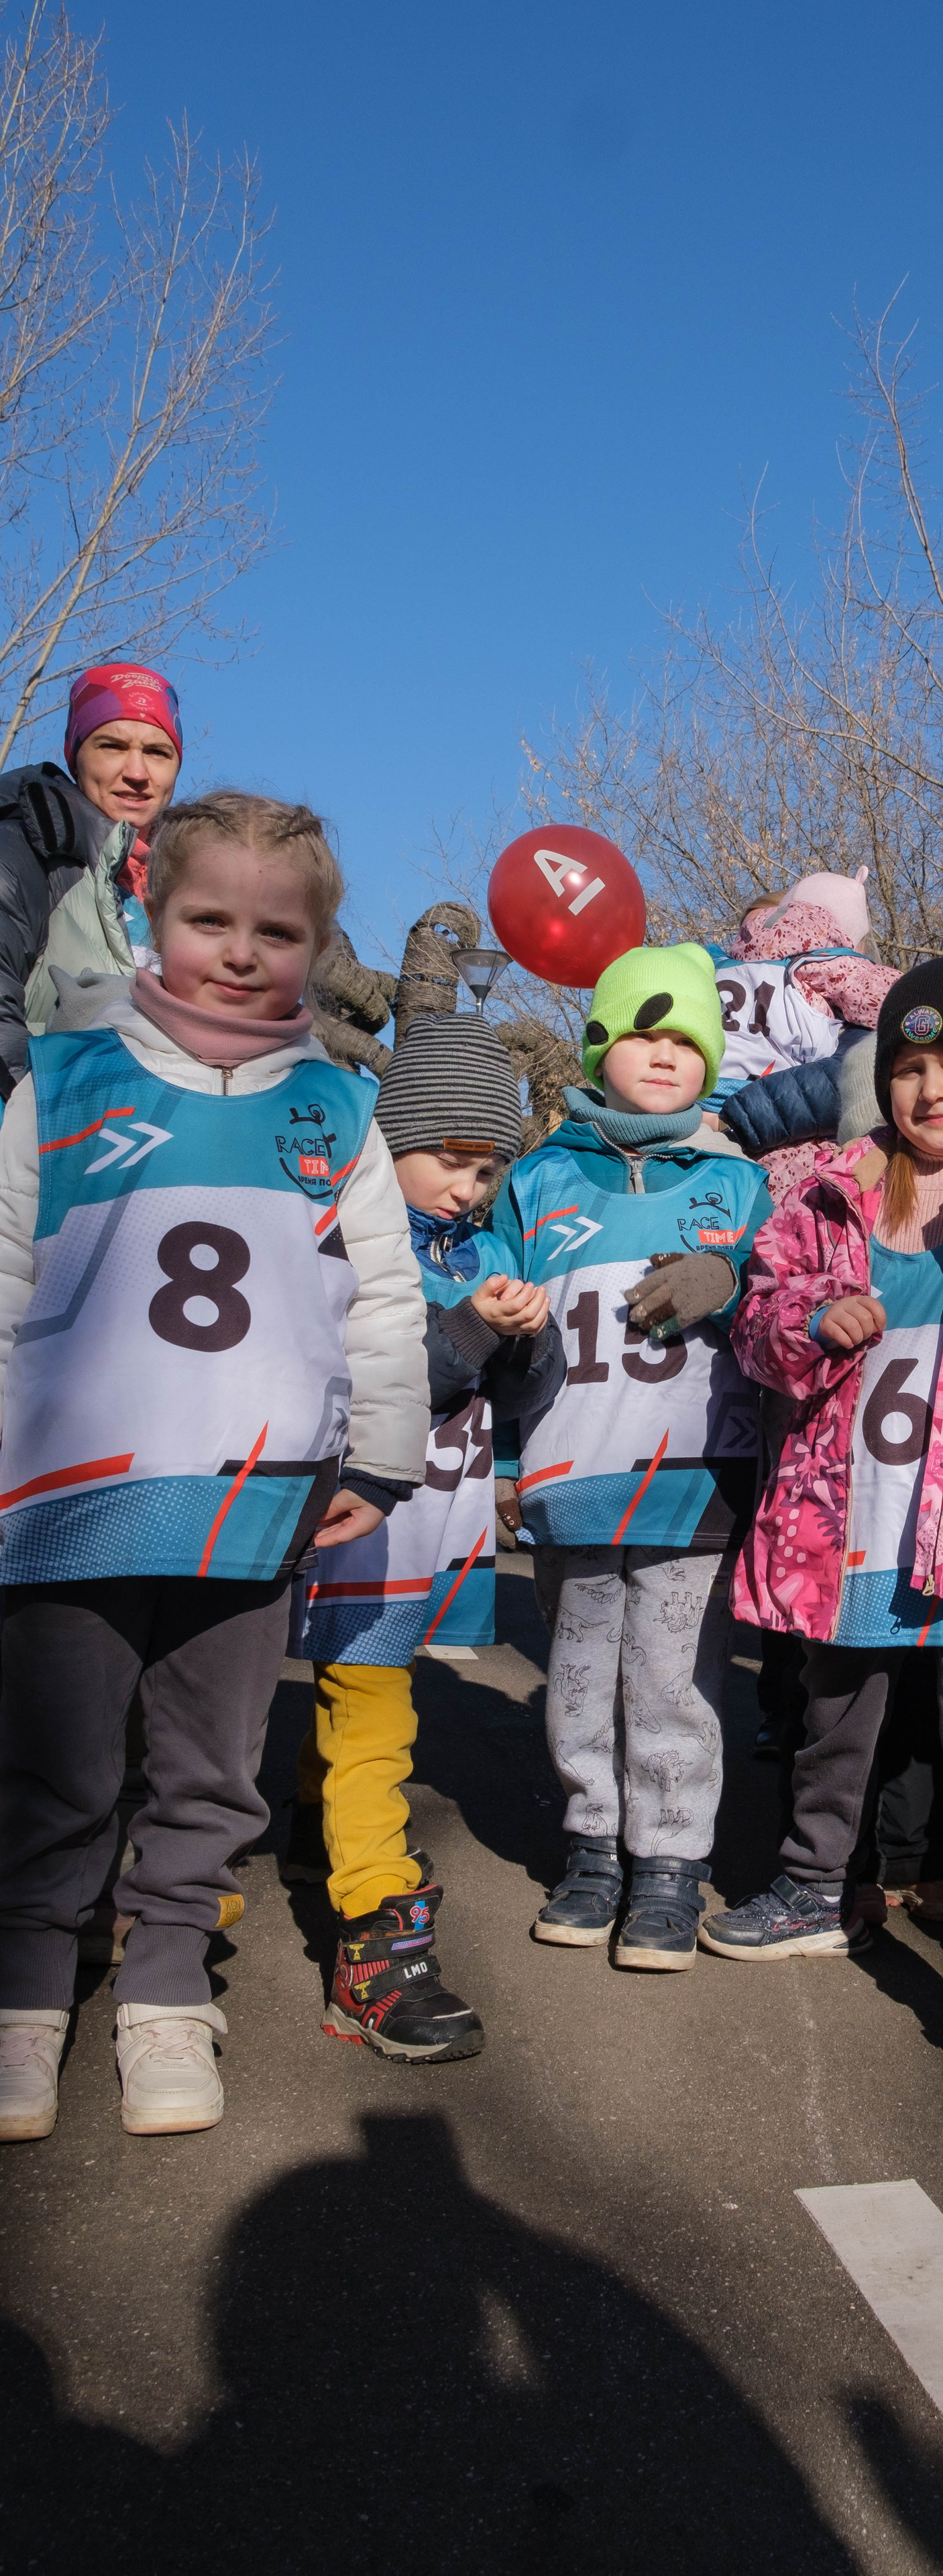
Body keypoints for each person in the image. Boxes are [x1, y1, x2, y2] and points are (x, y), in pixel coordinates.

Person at [0, 790, 427, 2143]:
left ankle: (170, 1983)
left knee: (211, 1765)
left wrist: (386, 1456)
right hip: (70, 1496)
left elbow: (384, 1300)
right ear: (152, 918)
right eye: (208, 920)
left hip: (253, 1501)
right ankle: (26, 1990)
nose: (241, 952)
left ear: (315, 945)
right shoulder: (62, 1081)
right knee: (59, 1763)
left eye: (276, 931)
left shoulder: (335, 1107)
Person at [700, 958, 943, 2118]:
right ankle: (817, 1887)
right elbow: (761, 1332)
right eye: (910, 1070)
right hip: (846, 1526)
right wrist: (814, 1324)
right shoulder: (826, 1194)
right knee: (835, 1727)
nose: (932, 1092)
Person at [284, 1012, 564, 2061]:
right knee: (372, 1712)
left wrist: (531, 1343)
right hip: (364, 1518)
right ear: (390, 1144)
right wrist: (470, 1331)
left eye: (490, 1167)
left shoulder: (487, 1246)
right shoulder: (356, 1241)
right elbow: (380, 1377)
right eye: (451, 1159)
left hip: (436, 1519)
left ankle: (318, 1826)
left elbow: (525, 1392)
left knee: (368, 1682)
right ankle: (375, 1926)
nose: (471, 1186)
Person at [491, 943, 772, 1971]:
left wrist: (732, 1277)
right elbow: (506, 1335)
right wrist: (505, 1466)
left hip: (694, 1480)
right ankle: (591, 1848)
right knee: (577, 1672)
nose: (665, 1057)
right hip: (574, 1481)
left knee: (673, 1681)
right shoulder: (539, 1178)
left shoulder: (741, 1186)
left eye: (687, 1041)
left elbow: (783, 1304)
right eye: (643, 1035)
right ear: (600, 1045)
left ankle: (669, 1861)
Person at [0, 662, 183, 1096]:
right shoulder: (19, 853)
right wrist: (60, 1124)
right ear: (75, 753)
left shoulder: (193, 882)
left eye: (158, 752)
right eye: (112, 746)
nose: (137, 773)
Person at [712, 869, 899, 1199]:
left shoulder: (715, 966)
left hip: (701, 1099)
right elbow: (893, 999)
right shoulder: (820, 963)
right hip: (778, 1130)